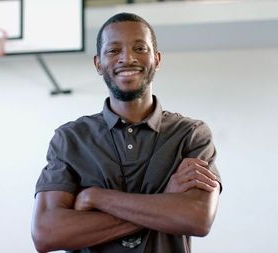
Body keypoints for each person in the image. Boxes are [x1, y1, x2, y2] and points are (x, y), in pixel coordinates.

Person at [31, 12, 222, 253]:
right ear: (98, 64)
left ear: (157, 60)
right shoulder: (70, 139)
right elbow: (47, 234)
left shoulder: (191, 135)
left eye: (140, 48)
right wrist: (164, 201)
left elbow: (197, 218)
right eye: (113, 51)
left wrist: (95, 198)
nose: (127, 58)